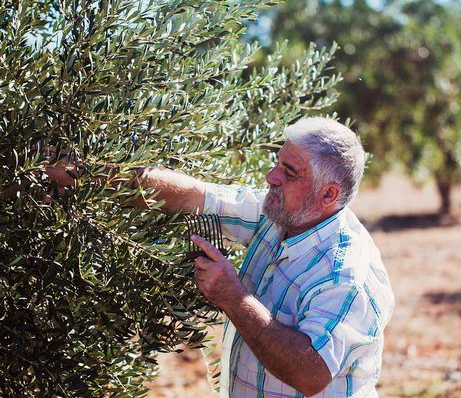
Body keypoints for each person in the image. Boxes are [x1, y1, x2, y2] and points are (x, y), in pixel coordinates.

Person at [47, 117, 394, 397]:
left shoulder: (345, 275)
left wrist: (234, 297)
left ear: (328, 195)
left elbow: (309, 374)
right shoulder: (278, 215)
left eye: (289, 173)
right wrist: (86, 176)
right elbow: (192, 196)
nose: (271, 177)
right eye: (277, 163)